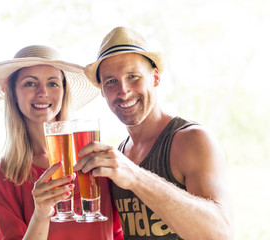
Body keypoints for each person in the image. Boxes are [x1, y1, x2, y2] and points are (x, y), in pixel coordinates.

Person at [74, 27, 234, 240]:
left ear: (155, 78)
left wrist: (135, 176)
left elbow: (222, 234)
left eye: (133, 76)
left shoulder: (191, 139)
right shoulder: (121, 154)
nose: (123, 90)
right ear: (102, 91)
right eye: (111, 81)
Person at [0, 45, 123, 240]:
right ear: (13, 94)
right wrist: (41, 215)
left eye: (53, 84)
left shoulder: (95, 160)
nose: (42, 92)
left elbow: (118, 234)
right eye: (29, 83)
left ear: (63, 92)